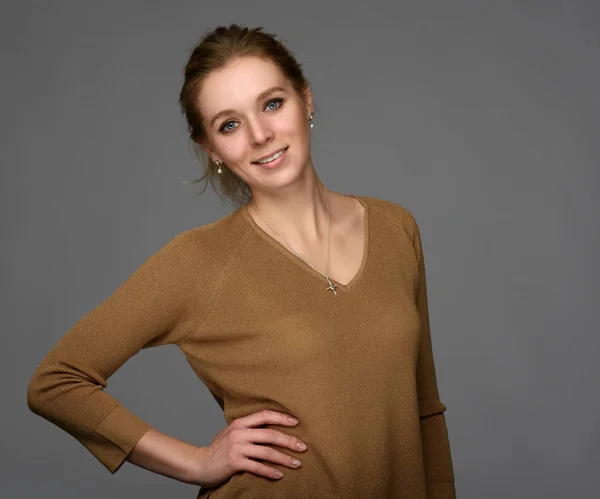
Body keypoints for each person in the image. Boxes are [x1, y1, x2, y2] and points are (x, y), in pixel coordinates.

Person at [27, 24, 456, 498]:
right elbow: (57, 382)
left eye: (272, 103)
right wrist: (195, 462)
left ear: (306, 99)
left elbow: (424, 409)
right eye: (229, 124)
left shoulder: (396, 228)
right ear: (211, 150)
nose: (259, 135)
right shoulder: (199, 261)